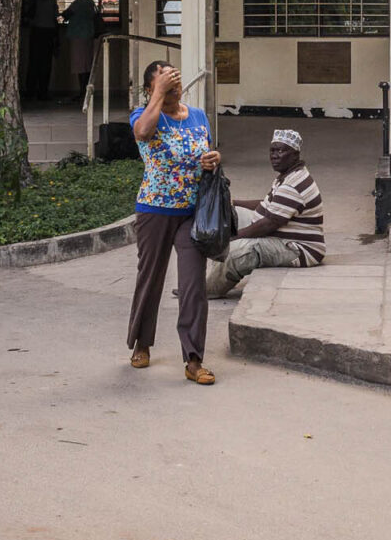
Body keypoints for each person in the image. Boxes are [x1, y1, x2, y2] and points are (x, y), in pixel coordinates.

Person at [129, 60, 221, 385]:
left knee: (193, 283)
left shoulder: (197, 115)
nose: (174, 84)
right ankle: (142, 343)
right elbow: (142, 133)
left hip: (192, 212)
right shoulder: (143, 116)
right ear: (150, 88)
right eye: (165, 80)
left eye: (175, 79)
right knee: (150, 278)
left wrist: (213, 158)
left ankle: (194, 359)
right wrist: (158, 94)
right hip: (155, 210)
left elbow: (205, 151)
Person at [208, 129, 325, 299]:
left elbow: (269, 223)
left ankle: (208, 290)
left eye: (281, 151)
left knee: (237, 251)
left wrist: (235, 237)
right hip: (281, 234)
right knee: (225, 217)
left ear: (295, 155)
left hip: (298, 248)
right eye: (272, 150)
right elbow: (266, 205)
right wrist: (232, 204)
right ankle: (211, 277)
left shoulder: (293, 185)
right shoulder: (287, 175)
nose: (275, 156)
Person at [61, 0, 100, 104]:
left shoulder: (78, 4)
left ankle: (82, 91)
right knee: (86, 64)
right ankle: (85, 91)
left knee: (80, 65)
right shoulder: (90, 3)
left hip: (78, 37)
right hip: (88, 36)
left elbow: (66, 14)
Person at [22, 0, 60, 103]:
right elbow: (27, 16)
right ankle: (32, 90)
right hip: (39, 32)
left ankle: (42, 91)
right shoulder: (32, 2)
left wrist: (56, 39)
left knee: (44, 64)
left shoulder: (51, 2)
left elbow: (55, 21)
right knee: (35, 63)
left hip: (45, 33)